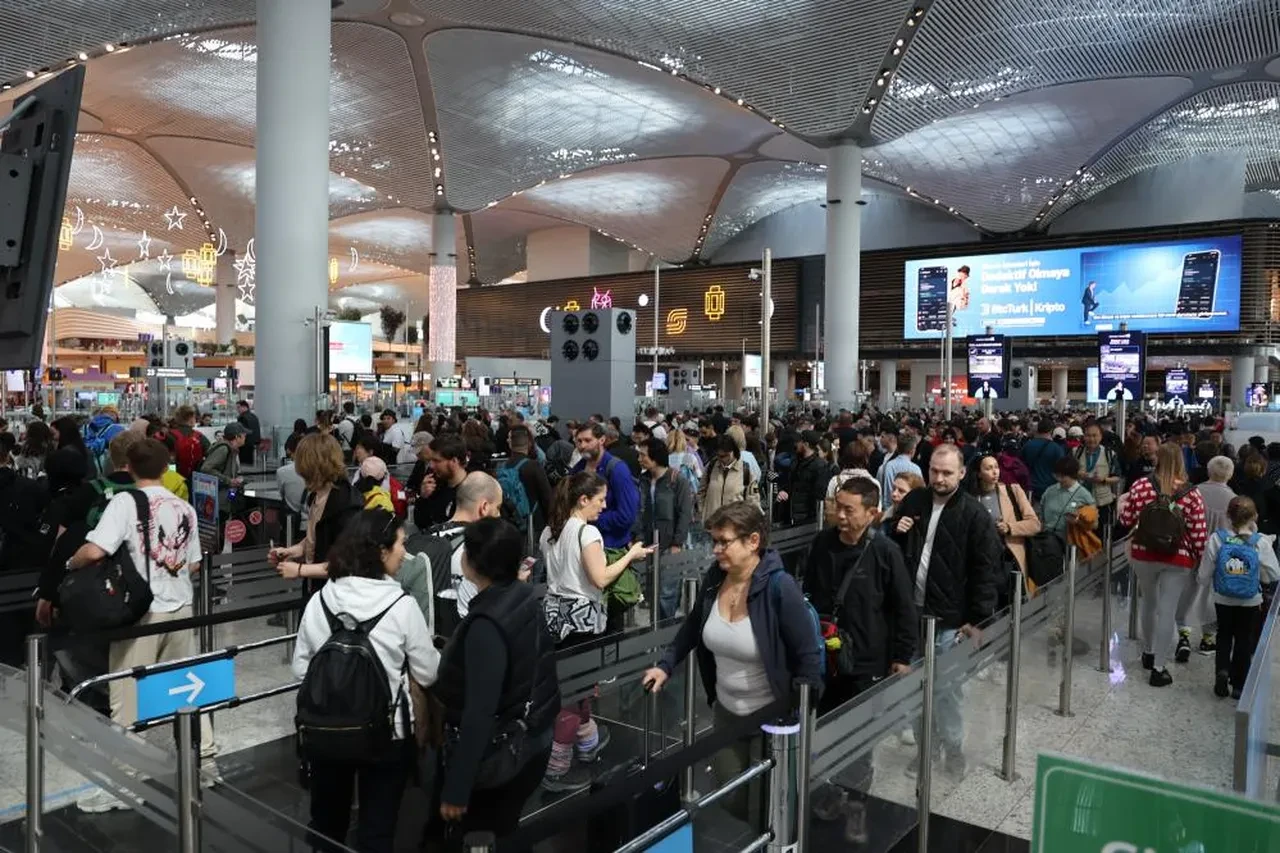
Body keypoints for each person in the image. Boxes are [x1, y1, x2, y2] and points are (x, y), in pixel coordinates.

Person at [643, 502, 824, 821]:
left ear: (753, 541)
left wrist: (793, 710)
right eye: (714, 541)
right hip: (726, 715)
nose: (715, 550)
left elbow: (808, 659)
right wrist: (666, 664)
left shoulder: (780, 588)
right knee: (732, 797)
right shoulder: (715, 579)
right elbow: (693, 626)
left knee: (768, 806)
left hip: (772, 721)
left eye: (723, 541)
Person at [67, 439, 213, 811]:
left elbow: (96, 549)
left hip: (142, 613)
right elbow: (194, 562)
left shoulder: (125, 502)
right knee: (187, 688)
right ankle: (206, 763)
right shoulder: (183, 506)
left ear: (129, 467)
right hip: (181, 606)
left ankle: (124, 784)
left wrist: (72, 563)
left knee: (126, 697)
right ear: (166, 468)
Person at [292, 509, 438, 853]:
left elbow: (301, 671)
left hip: (325, 730)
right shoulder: (401, 606)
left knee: (327, 825)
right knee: (377, 829)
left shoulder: (320, 600)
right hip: (387, 735)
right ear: (381, 550)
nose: (405, 552)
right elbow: (428, 672)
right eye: (401, 543)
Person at [428, 516, 559, 842]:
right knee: (507, 830)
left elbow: (479, 712)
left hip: (502, 753)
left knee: (484, 834)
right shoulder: (524, 596)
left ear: (472, 562)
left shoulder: (486, 624)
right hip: (534, 737)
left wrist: (457, 786)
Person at [803, 478, 916, 841]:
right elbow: (808, 593)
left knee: (857, 741)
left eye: (849, 509)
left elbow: (903, 607)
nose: (840, 515)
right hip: (824, 659)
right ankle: (829, 793)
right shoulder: (822, 544)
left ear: (872, 512)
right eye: (837, 506)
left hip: (865, 662)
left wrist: (901, 656)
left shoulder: (885, 552)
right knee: (820, 734)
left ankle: (856, 807)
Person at [890, 443, 1002, 775]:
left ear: (962, 473)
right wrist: (896, 532)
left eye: (947, 473)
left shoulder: (974, 515)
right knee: (913, 690)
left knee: (946, 691)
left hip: (949, 619)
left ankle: (953, 748)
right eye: (934, 471)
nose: (939, 478)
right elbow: (896, 553)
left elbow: (987, 571)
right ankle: (928, 746)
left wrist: (977, 620)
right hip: (911, 615)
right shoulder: (915, 501)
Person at [540, 473, 653, 790]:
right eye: (600, 499)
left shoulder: (551, 530)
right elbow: (600, 578)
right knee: (575, 693)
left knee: (574, 686)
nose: (604, 506)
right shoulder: (587, 533)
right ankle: (557, 767)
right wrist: (630, 556)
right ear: (583, 499)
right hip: (582, 619)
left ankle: (588, 742)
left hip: (554, 615)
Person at [1118, 442, 1208, 687]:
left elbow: (1126, 520)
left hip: (1143, 554)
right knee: (1167, 610)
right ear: (1181, 461)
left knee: (1149, 602)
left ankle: (1147, 651)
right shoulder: (1191, 492)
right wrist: (1201, 560)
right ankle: (1159, 667)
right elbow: (1199, 533)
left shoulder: (1141, 485)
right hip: (1177, 559)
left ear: (1158, 459)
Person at [1198, 496, 1279, 699]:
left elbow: (1203, 574)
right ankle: (1239, 685)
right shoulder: (1260, 542)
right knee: (1244, 637)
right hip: (1250, 599)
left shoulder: (1218, 538)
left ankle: (1222, 671)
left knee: (1224, 634)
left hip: (1222, 597)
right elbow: (1274, 574)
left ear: (1228, 516)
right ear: (1255, 517)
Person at [271, 434, 362, 582]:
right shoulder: (316, 495)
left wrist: (300, 570)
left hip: (335, 592)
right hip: (315, 585)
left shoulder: (347, 504)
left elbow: (346, 563)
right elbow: (316, 535)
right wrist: (293, 551)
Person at [1180, 456, 1236, 659]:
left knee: (1187, 591)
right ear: (1230, 474)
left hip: (1191, 551)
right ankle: (1207, 639)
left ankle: (1183, 635)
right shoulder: (1233, 499)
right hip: (1218, 555)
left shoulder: (1194, 492)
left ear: (1208, 471)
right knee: (1211, 596)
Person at [636, 438, 694, 619]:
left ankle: (663, 634)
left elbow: (685, 514)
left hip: (670, 545)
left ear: (655, 457)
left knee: (666, 593)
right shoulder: (643, 480)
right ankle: (654, 633)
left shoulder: (677, 480)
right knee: (651, 591)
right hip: (648, 544)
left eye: (643, 455)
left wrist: (677, 542)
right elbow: (639, 511)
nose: (639, 459)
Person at [570, 423, 640, 555]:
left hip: (610, 546)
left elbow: (626, 515)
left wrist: (589, 519)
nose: (582, 445)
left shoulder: (617, 469)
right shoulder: (578, 469)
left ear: (602, 440)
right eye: (579, 441)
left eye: (588, 440)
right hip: (582, 544)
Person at [970, 454, 1039, 581]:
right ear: (979, 474)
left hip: (1009, 559)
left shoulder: (1013, 490)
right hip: (981, 561)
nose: (995, 471)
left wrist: (1010, 527)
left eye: (996, 467)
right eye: (988, 468)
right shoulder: (971, 498)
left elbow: (1035, 524)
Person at [412, 434, 469, 529]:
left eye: (436, 461)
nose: (431, 465)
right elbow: (421, 524)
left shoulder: (471, 491)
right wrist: (423, 498)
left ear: (454, 461)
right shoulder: (436, 486)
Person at [779, 430, 833, 526]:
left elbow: (819, 494)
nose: (796, 444)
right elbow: (789, 483)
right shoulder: (796, 461)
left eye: (799, 442)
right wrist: (783, 490)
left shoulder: (820, 466)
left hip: (807, 518)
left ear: (806, 444)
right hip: (790, 514)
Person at [1074, 422, 1120, 528]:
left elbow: (1117, 477)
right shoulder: (1076, 452)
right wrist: (1079, 474)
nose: (1091, 439)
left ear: (1100, 436)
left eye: (1094, 435)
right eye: (1088, 435)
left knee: (1100, 533)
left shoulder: (1109, 454)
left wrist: (1103, 480)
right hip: (1080, 500)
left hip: (1102, 501)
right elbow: (1068, 473)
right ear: (1084, 436)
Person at [1039, 456, 1095, 542]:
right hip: (1048, 540)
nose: (1059, 479)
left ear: (1073, 475)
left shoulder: (1084, 495)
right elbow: (1041, 514)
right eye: (1057, 476)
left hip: (1072, 542)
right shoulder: (1050, 491)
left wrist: (1078, 521)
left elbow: (1093, 524)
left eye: (1062, 476)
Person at [700, 435, 757, 518]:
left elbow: (753, 499)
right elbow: (701, 490)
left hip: (735, 524)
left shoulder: (745, 470)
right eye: (718, 455)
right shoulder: (711, 466)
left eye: (724, 456)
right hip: (712, 523)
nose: (721, 459)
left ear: (733, 452)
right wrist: (702, 510)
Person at [199, 422, 245, 506]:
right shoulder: (224, 449)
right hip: (219, 497)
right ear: (237, 437)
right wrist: (228, 480)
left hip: (224, 495)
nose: (245, 437)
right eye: (244, 435)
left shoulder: (232, 449)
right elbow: (206, 468)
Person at [876, 425, 921, 511]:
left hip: (890, 510)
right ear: (912, 450)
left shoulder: (887, 466)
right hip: (910, 511)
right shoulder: (916, 469)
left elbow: (885, 491)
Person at [1022, 419, 1065, 501]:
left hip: (1031, 488)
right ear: (1051, 430)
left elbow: (1021, 465)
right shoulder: (1057, 448)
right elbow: (1062, 469)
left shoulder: (1028, 445)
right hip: (1050, 488)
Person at [235, 400, 261, 465]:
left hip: (245, 443)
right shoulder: (254, 416)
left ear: (244, 407)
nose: (237, 409)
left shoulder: (242, 417)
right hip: (254, 441)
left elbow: (241, 431)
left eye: (238, 407)